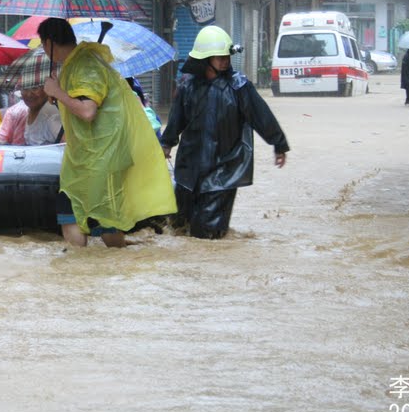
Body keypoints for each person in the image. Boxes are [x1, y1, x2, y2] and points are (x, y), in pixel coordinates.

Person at [38, 17, 176, 247]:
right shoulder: (80, 64)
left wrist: (57, 92)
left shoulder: (85, 65)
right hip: (101, 157)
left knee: (70, 213)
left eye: (42, 44)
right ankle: (112, 267)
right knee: (107, 222)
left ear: (50, 42)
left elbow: (87, 111)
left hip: (95, 159)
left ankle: (76, 275)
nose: (43, 50)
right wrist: (59, 91)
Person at [159, 25, 290, 240]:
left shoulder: (239, 86)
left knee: (207, 233)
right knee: (178, 227)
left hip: (223, 171)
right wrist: (166, 144)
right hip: (189, 170)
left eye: (226, 55)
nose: (224, 60)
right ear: (205, 58)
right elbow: (176, 120)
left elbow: (261, 116)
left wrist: (279, 145)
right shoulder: (187, 86)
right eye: (218, 56)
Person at [0, 82, 62, 147]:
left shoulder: (51, 116)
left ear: (46, 89)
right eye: (24, 88)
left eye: (35, 88)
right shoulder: (30, 111)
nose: (29, 94)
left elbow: (67, 147)